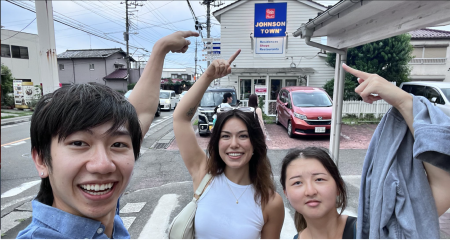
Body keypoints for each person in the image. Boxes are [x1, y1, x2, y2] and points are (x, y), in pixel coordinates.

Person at [17, 31, 198, 239]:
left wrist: (161, 49)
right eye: (79, 143)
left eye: (118, 145)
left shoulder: (102, 211)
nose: (103, 165)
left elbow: (141, 113)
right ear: (41, 160)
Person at [279, 63, 450, 239]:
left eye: (319, 179)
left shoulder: (374, 232)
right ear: (286, 193)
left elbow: (443, 186)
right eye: (297, 183)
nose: (310, 190)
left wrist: (403, 101)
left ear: (338, 185)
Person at [173, 50, 285, 238]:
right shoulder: (204, 175)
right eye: (225, 136)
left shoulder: (271, 202)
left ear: (255, 143)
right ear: (216, 143)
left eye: (243, 136)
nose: (234, 144)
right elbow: (180, 119)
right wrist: (208, 76)